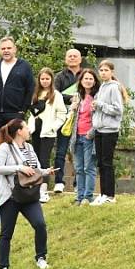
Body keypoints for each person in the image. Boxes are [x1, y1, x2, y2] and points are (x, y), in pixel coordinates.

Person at [0, 119, 57, 269]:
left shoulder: (29, 147)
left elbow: (33, 169)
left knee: (40, 224)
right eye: (26, 128)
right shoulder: (5, 148)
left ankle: (41, 257)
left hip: (29, 195)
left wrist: (45, 172)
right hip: (10, 196)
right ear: (19, 131)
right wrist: (18, 167)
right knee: (7, 233)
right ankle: (3, 267)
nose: (29, 130)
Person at [27, 68, 66, 203]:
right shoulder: (35, 94)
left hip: (47, 133)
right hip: (35, 131)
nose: (44, 81)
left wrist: (52, 127)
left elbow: (62, 115)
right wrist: (29, 128)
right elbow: (31, 113)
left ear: (51, 80)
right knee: (34, 160)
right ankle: (35, 187)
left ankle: (43, 190)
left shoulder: (56, 95)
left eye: (47, 79)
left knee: (44, 160)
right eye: (42, 79)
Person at [90, 60, 124, 206]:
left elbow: (118, 110)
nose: (103, 72)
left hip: (110, 130)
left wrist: (101, 105)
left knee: (107, 162)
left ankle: (110, 194)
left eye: (106, 70)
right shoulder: (102, 87)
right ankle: (103, 193)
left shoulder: (114, 88)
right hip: (99, 129)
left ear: (112, 72)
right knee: (101, 163)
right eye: (101, 70)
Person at [51, 48, 84, 193]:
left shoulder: (86, 75)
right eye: (69, 56)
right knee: (61, 150)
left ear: (80, 59)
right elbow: (54, 94)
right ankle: (59, 181)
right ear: (65, 59)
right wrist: (70, 98)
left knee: (79, 150)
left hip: (82, 117)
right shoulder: (59, 76)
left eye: (75, 56)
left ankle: (79, 183)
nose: (72, 58)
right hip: (64, 116)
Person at [0, 36, 34, 133]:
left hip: (15, 112)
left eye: (9, 48)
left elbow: (30, 89)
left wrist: (23, 110)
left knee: (14, 143)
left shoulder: (24, 66)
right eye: (3, 48)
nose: (6, 51)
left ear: (15, 49)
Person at [68, 69, 101, 206]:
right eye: (85, 78)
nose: (88, 81)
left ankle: (88, 196)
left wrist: (92, 132)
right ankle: (79, 196)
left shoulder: (98, 96)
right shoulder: (77, 96)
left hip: (90, 136)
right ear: (81, 81)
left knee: (89, 167)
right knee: (79, 168)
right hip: (77, 136)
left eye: (90, 79)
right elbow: (71, 118)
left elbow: (100, 117)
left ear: (94, 81)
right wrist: (72, 108)